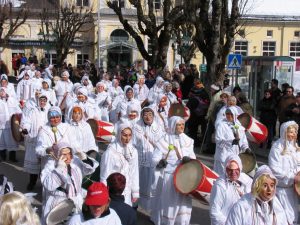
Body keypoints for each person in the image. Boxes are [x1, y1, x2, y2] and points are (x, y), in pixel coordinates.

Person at [152, 116, 196, 225]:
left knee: (183, 202)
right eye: (178, 125)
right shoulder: (164, 140)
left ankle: (181, 221)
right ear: (172, 125)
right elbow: (155, 158)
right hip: (169, 176)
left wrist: (189, 160)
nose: (181, 127)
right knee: (169, 201)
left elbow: (193, 157)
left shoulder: (188, 140)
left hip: (184, 176)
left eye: (182, 125)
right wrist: (160, 162)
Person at [41, 142, 98, 223]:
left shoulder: (75, 161)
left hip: (76, 201)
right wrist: (59, 168)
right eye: (64, 154)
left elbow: (89, 170)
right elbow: (48, 185)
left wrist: (84, 158)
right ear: (57, 154)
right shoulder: (50, 166)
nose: (68, 157)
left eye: (69, 153)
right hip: (59, 204)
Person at [132, 107, 165, 213]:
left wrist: (160, 159)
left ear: (153, 116)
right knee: (137, 184)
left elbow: (162, 145)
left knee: (152, 186)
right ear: (142, 116)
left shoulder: (158, 127)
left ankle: (153, 211)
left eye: (150, 114)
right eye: (145, 115)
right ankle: (134, 205)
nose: (148, 117)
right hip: (139, 162)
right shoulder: (136, 126)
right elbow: (132, 144)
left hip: (153, 162)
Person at [100, 123, 139, 206]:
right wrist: (104, 193)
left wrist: (135, 191)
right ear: (119, 135)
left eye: (129, 135)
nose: (127, 139)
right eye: (124, 135)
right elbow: (104, 175)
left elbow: (134, 172)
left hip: (127, 189)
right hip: (114, 190)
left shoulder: (133, 151)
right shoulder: (110, 152)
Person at [268, 121, 300, 225]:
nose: (293, 134)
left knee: (294, 215)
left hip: (294, 189)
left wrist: (297, 174)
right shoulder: (277, 148)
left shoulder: (296, 148)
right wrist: (291, 176)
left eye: (295, 132)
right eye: (291, 132)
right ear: (284, 132)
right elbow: (274, 169)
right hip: (282, 190)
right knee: (283, 217)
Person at [210, 154, 252, 225]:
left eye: (236, 170)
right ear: (225, 169)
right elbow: (214, 212)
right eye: (230, 170)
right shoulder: (220, 186)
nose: (233, 173)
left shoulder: (246, 180)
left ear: (240, 168)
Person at [21, 94, 49, 190]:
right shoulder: (32, 111)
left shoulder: (48, 111)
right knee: (34, 162)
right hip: (34, 139)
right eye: (41, 100)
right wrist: (26, 129)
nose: (42, 102)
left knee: (44, 164)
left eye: (44, 101)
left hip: (44, 141)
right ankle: (32, 182)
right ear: (38, 101)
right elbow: (27, 122)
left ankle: (44, 184)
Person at [214, 107, 250, 176]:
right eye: (227, 114)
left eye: (231, 114)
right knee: (222, 177)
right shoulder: (221, 126)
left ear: (235, 115)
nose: (229, 116)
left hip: (234, 157)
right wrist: (231, 142)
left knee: (233, 177)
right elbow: (218, 141)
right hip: (223, 157)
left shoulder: (239, 127)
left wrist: (246, 148)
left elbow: (243, 141)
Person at [0, 87, 22, 162]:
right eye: (0, 91)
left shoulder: (12, 101)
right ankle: (2, 157)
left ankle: (12, 157)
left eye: (3, 91)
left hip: (11, 126)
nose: (2, 92)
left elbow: (19, 112)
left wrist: (17, 121)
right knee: (1, 141)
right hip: (1, 126)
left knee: (12, 141)